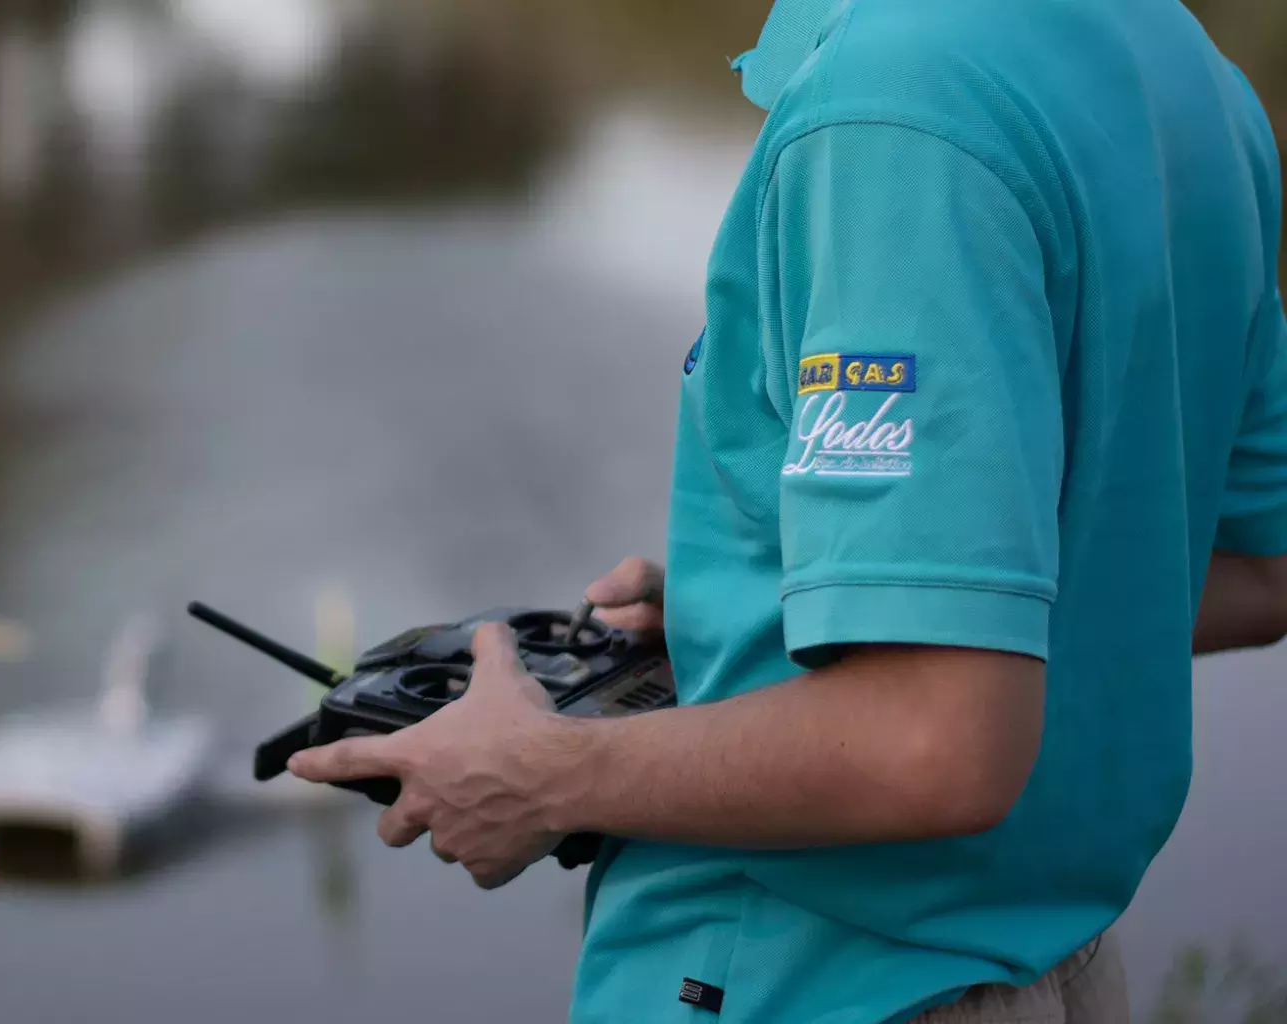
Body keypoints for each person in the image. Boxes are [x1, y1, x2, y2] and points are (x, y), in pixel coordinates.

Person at [285, 0, 1287, 1020]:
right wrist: (827, 603)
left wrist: (550, 777)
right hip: (1061, 969)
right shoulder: (1183, 66)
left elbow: (937, 741)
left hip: (820, 978)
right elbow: (1255, 569)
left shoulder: (895, 105)